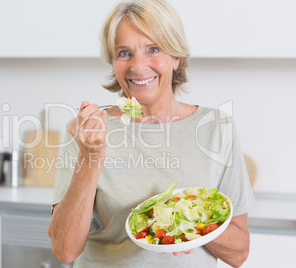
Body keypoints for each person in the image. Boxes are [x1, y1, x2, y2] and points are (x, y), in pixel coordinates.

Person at [48, 0, 255, 267]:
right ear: (113, 62)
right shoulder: (89, 131)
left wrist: (185, 222)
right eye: (124, 53)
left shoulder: (217, 128)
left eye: (153, 49)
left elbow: (239, 253)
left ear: (176, 57)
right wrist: (91, 155)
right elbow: (64, 250)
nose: (138, 66)